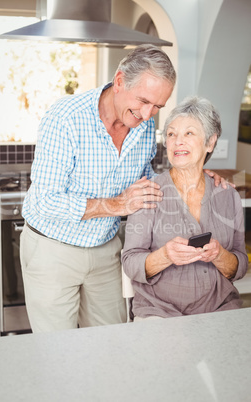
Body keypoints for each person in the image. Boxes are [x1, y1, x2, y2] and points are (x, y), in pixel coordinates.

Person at [20, 45, 228, 332]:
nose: (147, 114)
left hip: (106, 248)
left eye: (157, 106)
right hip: (54, 249)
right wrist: (118, 205)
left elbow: (147, 183)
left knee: (113, 343)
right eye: (143, 101)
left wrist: (194, 176)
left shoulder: (143, 127)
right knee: (57, 351)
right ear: (119, 82)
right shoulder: (66, 118)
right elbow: (45, 201)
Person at [122, 96, 248, 321]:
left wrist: (219, 255)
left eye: (189, 133)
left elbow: (239, 266)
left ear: (210, 142)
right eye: (171, 134)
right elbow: (131, 262)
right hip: (158, 311)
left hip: (219, 307)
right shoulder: (148, 193)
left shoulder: (228, 195)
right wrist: (165, 255)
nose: (177, 141)